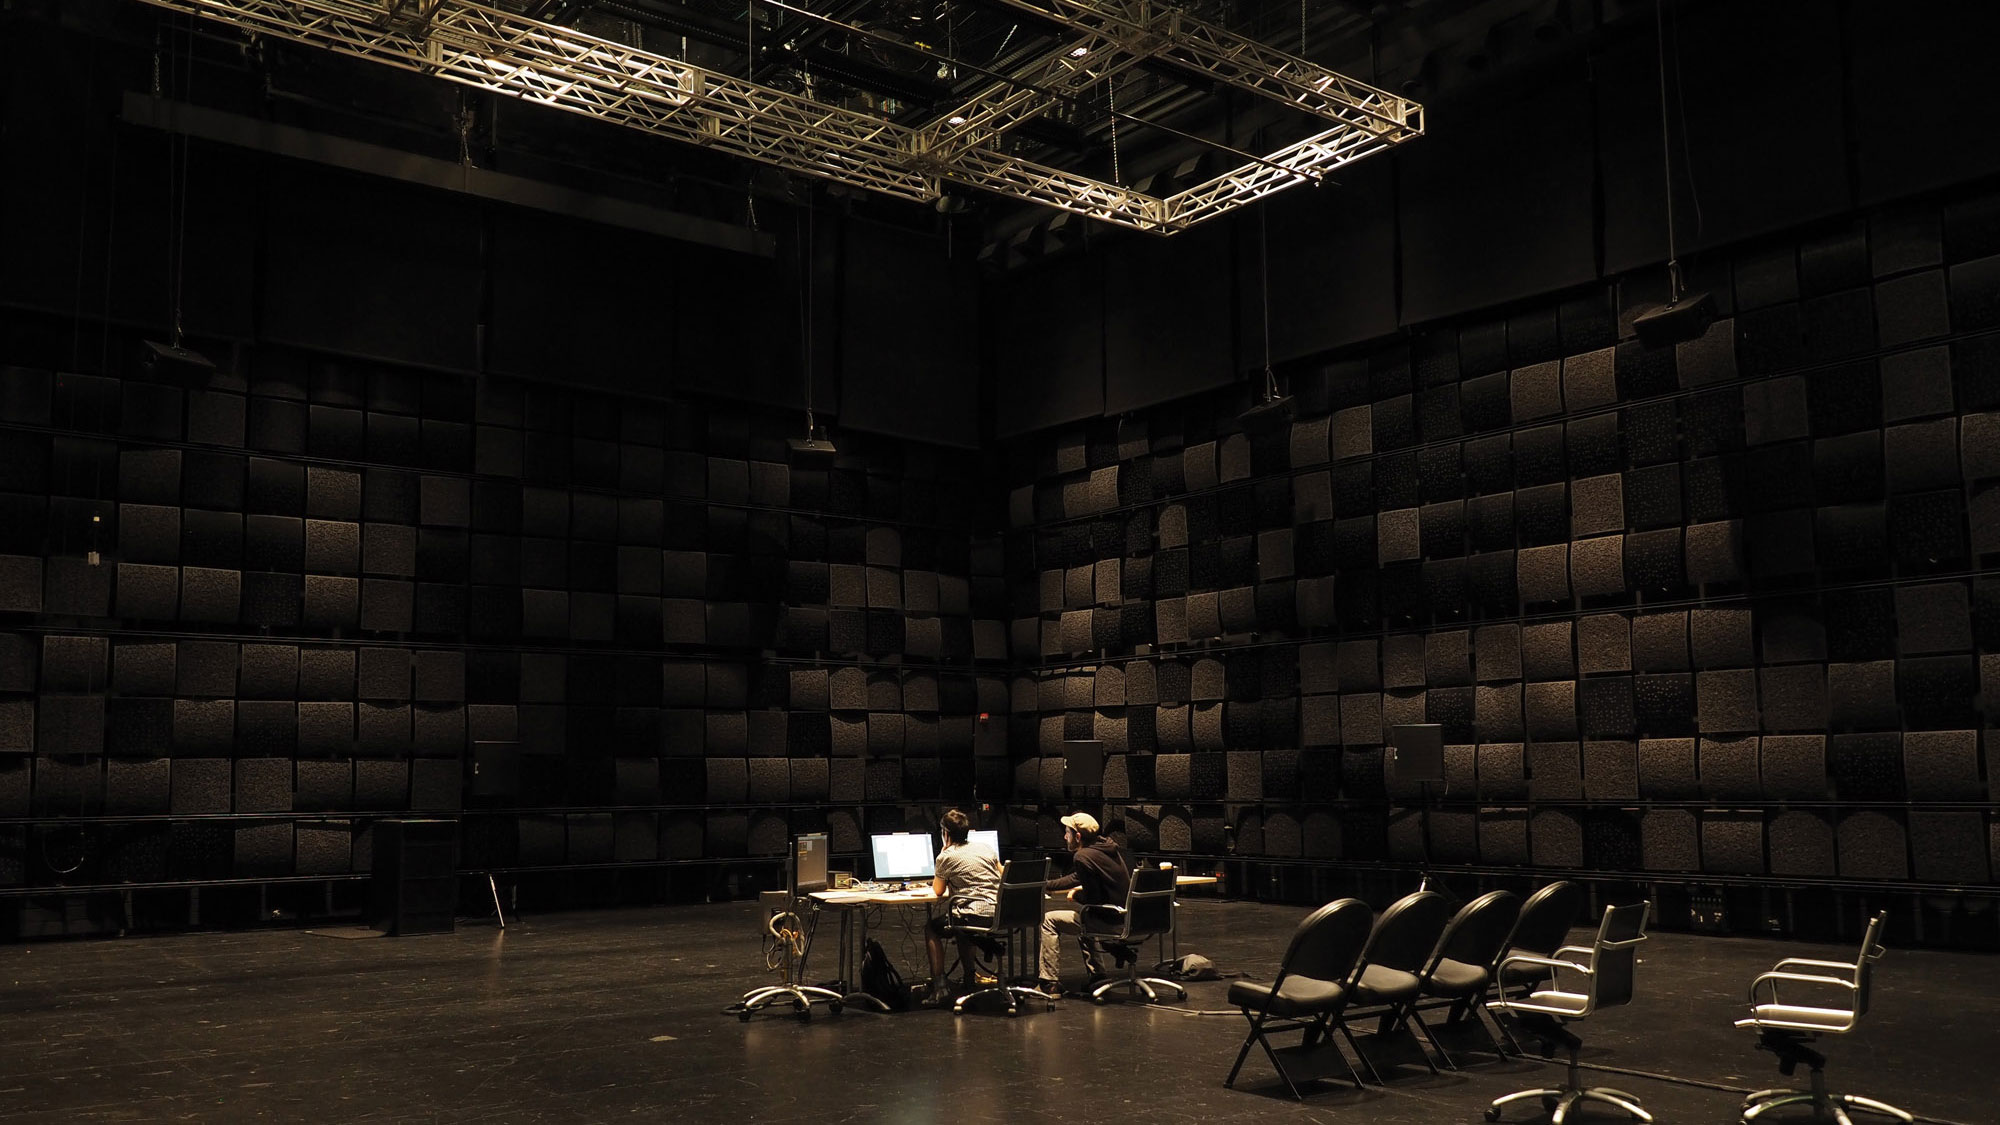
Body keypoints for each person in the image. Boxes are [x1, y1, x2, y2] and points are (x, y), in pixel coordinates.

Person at [1038, 811, 1130, 997]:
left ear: (1078, 836)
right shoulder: (1107, 848)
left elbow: (1092, 900)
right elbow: (1076, 877)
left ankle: (1049, 984)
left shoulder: (1082, 857)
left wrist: (1077, 895)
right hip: (1126, 916)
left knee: (1049, 920)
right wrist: (1046, 885)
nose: (1065, 837)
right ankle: (1098, 976)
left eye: (1067, 833)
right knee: (1083, 916)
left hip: (1109, 920)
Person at [921, 808, 1002, 1005]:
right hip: (999, 912)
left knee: (932, 928)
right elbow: (1003, 874)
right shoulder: (985, 848)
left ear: (945, 833)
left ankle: (940, 987)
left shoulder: (946, 857)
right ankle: (969, 978)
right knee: (961, 928)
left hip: (972, 914)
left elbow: (938, 891)